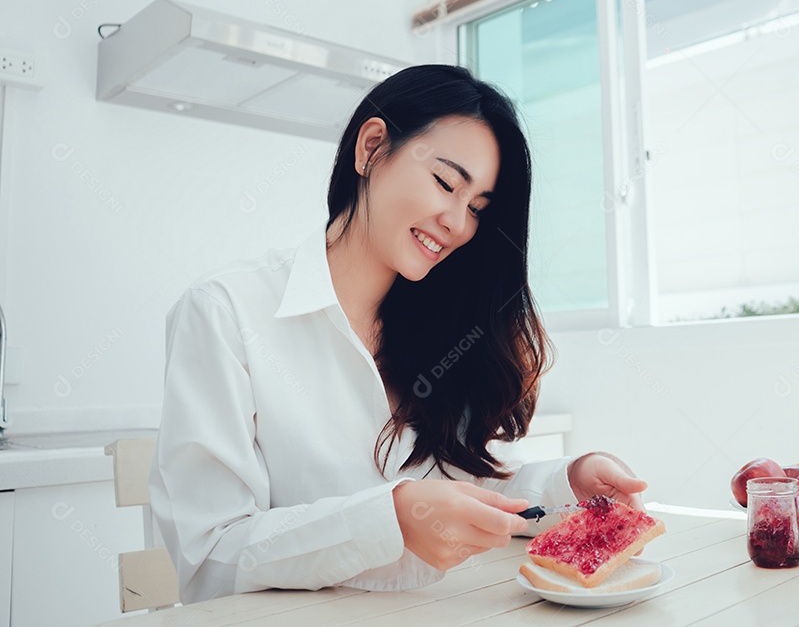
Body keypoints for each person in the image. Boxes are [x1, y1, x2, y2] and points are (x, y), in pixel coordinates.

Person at [149, 65, 648, 604]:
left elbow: (467, 486)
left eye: (477, 209)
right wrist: (390, 519)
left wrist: (567, 485)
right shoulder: (226, 312)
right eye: (446, 183)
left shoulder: (441, 327)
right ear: (371, 148)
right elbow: (209, 558)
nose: (457, 223)